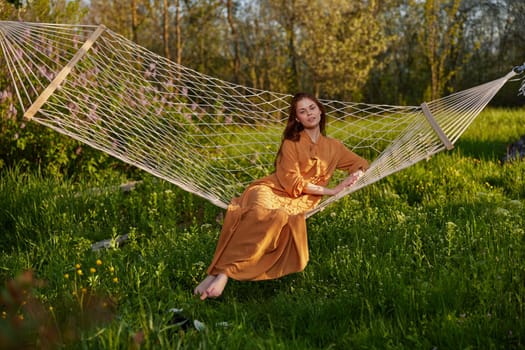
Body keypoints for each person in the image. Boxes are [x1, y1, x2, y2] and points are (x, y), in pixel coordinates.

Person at [194, 92, 369, 300]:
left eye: (312, 108)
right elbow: (292, 182)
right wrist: (331, 190)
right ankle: (223, 274)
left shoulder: (334, 147)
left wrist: (356, 175)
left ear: (320, 111)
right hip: (270, 190)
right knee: (260, 213)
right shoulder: (291, 143)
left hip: (298, 202)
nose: (309, 114)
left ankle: (218, 273)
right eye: (302, 111)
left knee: (276, 217)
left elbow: (361, 164)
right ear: (297, 119)